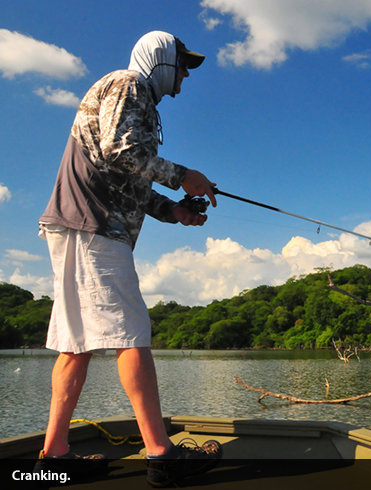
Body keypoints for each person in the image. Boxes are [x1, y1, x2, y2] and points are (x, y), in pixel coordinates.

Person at [36, 31, 222, 487]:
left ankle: (54, 454)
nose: (184, 75)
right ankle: (161, 456)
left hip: (80, 226)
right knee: (132, 333)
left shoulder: (136, 98)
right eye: (182, 65)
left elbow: (123, 173)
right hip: (93, 227)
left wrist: (172, 210)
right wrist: (184, 176)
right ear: (160, 60)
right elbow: (122, 149)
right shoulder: (128, 84)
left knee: (76, 344)